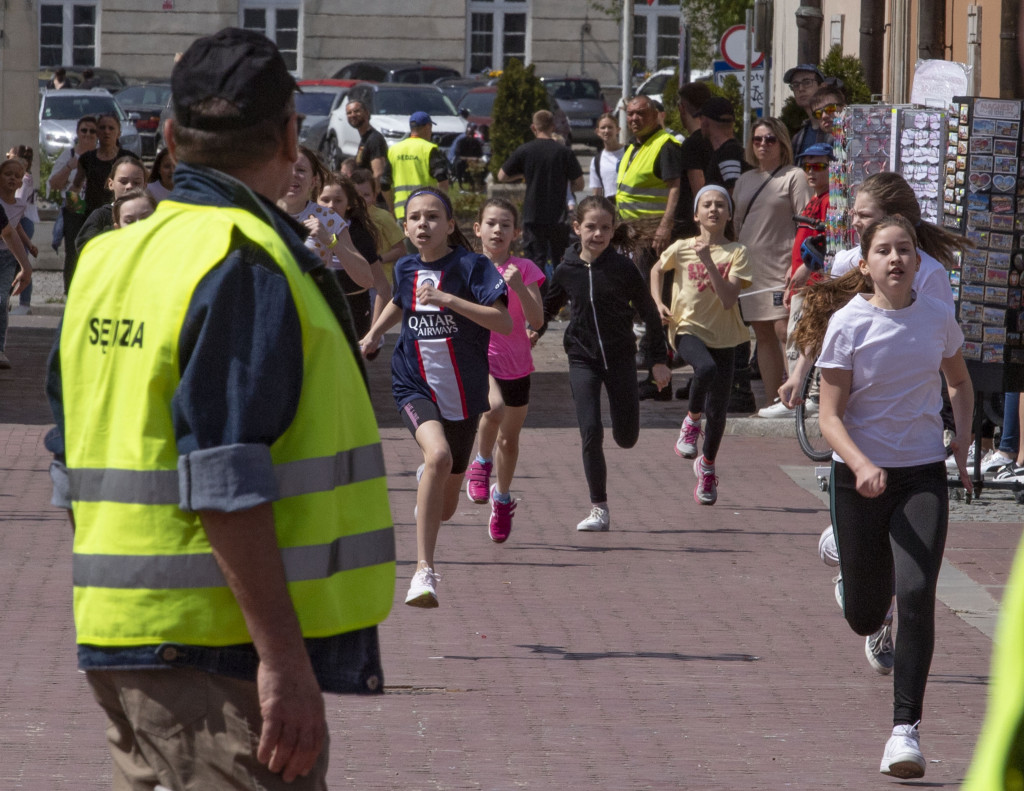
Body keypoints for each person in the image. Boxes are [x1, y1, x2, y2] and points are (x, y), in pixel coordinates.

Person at [44, 27, 395, 789]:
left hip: (120, 635)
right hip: (217, 650)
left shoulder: (106, 259)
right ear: (288, 137)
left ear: (168, 137)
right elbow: (225, 477)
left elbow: (67, 451)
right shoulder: (244, 260)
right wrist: (283, 661)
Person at [800, 215, 973, 780]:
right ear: (866, 263)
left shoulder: (936, 318)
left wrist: (963, 440)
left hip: (921, 472)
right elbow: (828, 417)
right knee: (864, 614)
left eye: (904, 250)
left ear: (918, 262)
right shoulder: (848, 325)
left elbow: (959, 380)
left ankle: (905, 732)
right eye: (883, 251)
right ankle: (848, 568)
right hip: (858, 476)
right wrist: (861, 462)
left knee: (918, 591)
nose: (896, 258)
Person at [358, 187, 511, 608]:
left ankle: (430, 492)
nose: (422, 224)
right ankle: (423, 572)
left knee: (445, 506)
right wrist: (373, 334)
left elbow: (504, 322)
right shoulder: (406, 267)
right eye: (414, 218)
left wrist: (447, 300)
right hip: (413, 383)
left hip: (463, 395)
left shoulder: (472, 266)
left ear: (450, 225)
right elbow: (400, 303)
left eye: (432, 217)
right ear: (404, 227)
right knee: (438, 457)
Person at [541, 196, 671, 531]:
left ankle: (627, 425)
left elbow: (650, 315)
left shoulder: (623, 269)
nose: (597, 234)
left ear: (613, 231)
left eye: (604, 228)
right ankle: (599, 508)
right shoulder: (566, 269)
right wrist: (530, 334)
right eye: (590, 227)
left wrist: (657, 360)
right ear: (576, 228)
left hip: (620, 357)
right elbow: (546, 308)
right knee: (590, 430)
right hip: (582, 357)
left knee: (626, 437)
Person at [650, 185, 752, 505]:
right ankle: (692, 420)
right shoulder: (681, 247)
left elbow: (727, 299)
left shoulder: (738, 252)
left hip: (728, 336)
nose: (713, 210)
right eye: (706, 205)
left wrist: (708, 261)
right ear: (696, 214)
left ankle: (706, 467)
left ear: (729, 214)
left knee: (719, 411)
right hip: (686, 328)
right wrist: (657, 304)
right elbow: (656, 269)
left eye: (720, 205)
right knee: (703, 368)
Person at [463, 198, 545, 542]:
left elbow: (537, 319)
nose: (498, 230)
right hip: (480, 358)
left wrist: (518, 287)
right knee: (492, 409)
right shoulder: (465, 266)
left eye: (505, 225)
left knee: (509, 441)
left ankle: (503, 497)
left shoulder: (524, 269)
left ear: (516, 232)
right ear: (477, 228)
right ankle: (481, 462)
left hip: (517, 365)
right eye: (491, 223)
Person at [732, 116, 812, 415]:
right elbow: (738, 224)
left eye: (770, 139)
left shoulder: (794, 176)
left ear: (782, 143)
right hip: (752, 267)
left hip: (783, 265)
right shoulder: (745, 179)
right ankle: (771, 401)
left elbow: (807, 222)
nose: (763, 144)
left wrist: (800, 263)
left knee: (785, 330)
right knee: (762, 334)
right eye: (757, 139)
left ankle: (794, 398)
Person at [497, 109, 584, 277]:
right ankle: (560, 300)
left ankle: (537, 299)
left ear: (533, 127)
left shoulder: (525, 150)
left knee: (536, 262)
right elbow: (580, 184)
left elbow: (502, 175)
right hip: (558, 215)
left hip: (533, 214)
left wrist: (524, 174)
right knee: (561, 260)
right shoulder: (564, 152)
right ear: (553, 126)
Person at [780, 142, 833, 393]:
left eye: (819, 166)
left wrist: (807, 269)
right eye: (807, 166)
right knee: (797, 335)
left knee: (801, 336)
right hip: (801, 280)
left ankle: (801, 393)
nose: (811, 171)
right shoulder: (814, 198)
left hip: (813, 283)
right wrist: (793, 271)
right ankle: (798, 391)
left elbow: (826, 241)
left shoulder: (828, 199)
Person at [317, 172, 393, 338]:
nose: (331, 206)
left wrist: (374, 333)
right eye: (324, 200)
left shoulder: (359, 235)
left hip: (354, 313)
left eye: (338, 201)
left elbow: (382, 287)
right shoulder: (304, 229)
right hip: (318, 312)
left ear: (349, 204)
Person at [278, 144, 369, 279]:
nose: (293, 174)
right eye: (287, 168)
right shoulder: (260, 212)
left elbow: (366, 278)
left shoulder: (327, 217)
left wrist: (330, 241)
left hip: (310, 299)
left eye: (301, 170)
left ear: (313, 181)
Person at [615, 95, 682, 255]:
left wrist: (665, 226)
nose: (634, 118)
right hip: (631, 233)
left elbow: (675, 188)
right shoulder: (633, 146)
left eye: (641, 113)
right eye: (630, 114)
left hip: (652, 235)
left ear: (655, 115)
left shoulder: (665, 146)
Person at [46, 114, 98, 293]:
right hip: (74, 202)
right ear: (78, 132)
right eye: (84, 130)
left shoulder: (101, 155)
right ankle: (71, 290)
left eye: (92, 131)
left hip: (96, 205)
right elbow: (53, 184)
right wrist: (70, 166)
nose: (88, 134)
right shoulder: (68, 154)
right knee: (73, 251)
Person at [0, 158, 35, 369]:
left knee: (1, 299)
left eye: (17, 176)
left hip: (7, 257)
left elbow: (12, 229)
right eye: (7, 174)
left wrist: (28, 247)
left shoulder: (20, 205)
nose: (12, 178)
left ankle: (0, 349)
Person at [387, 111, 449, 225]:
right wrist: (443, 207)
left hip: (402, 213)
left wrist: (391, 210)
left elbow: (384, 184)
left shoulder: (393, 150)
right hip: (426, 213)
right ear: (427, 127)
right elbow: (442, 180)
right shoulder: (429, 149)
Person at [71, 112, 135, 222]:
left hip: (121, 217)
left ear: (118, 133)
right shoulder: (87, 158)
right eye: (102, 128)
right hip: (92, 217)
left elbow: (146, 184)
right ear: (97, 132)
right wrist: (78, 211)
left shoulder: (129, 158)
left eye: (111, 128)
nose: (106, 131)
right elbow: (75, 187)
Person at [76, 154, 147, 249]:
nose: (129, 186)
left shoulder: (151, 215)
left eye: (136, 182)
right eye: (123, 181)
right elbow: (83, 246)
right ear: (111, 184)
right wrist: (113, 231)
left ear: (145, 185)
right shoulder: (101, 215)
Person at [350, 168, 406, 270]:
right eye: (356, 195)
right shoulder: (346, 218)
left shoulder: (383, 217)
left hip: (381, 279)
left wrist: (378, 260)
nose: (360, 199)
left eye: (366, 195)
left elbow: (400, 250)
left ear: (374, 196)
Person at [8, 146, 39, 315]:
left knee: (21, 263)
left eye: (11, 156)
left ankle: (24, 304)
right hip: (20, 221)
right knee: (14, 263)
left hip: (22, 221)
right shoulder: (24, 177)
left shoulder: (25, 179)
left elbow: (18, 201)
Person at [699, 97, 749, 195]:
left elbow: (734, 194)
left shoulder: (728, 155)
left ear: (705, 121)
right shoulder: (734, 151)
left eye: (700, 119)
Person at [345, 99, 391, 201]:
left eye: (357, 111)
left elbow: (378, 173)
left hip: (373, 201)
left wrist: (372, 198)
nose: (353, 115)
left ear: (366, 113)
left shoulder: (374, 139)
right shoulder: (365, 138)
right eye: (349, 113)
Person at [784, 64, 829, 157]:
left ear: (822, 87)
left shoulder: (837, 129)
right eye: (795, 85)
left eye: (807, 83)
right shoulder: (798, 138)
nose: (800, 89)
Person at [589, 112, 626, 200]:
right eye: (603, 128)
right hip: (611, 209)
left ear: (618, 130)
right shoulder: (596, 161)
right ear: (597, 132)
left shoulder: (630, 152)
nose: (606, 131)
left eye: (610, 127)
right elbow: (596, 193)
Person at [450, 123, 485, 190]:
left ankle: (480, 184)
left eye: (472, 134)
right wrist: (469, 158)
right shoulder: (461, 141)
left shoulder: (476, 142)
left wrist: (477, 159)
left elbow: (480, 154)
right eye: (469, 133)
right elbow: (458, 155)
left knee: (484, 163)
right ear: (466, 133)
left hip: (474, 161)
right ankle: (460, 184)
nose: (471, 135)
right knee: (458, 164)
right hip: (463, 161)